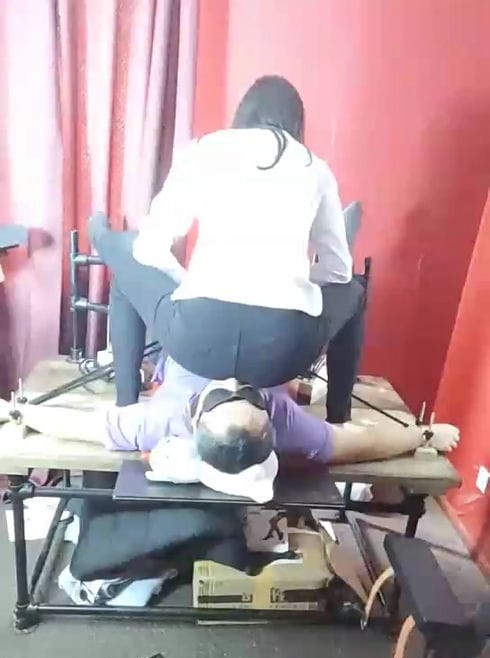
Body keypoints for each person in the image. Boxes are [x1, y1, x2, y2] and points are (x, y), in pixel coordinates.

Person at [90, 75, 365, 421]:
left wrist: (186, 282)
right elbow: (338, 271)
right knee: (355, 290)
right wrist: (300, 286)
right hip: (282, 356)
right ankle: (338, 419)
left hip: (197, 342)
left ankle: (126, 409)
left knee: (127, 266)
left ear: (244, 113)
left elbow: (150, 249)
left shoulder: (204, 151)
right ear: (297, 123)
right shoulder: (315, 167)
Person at [0, 357, 460, 503]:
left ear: (195, 418)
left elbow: (82, 425)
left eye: (226, 396)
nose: (233, 382)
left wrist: (21, 413)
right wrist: (423, 436)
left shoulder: (161, 420)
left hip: (185, 335)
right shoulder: (282, 418)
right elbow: (357, 442)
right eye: (248, 396)